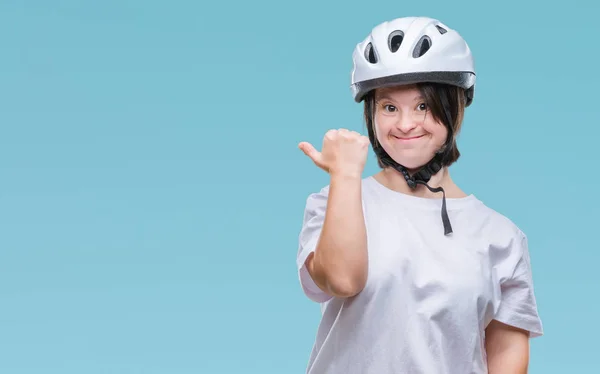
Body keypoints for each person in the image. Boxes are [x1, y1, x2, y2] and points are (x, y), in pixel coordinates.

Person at [295, 16, 543, 374]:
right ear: (371, 113)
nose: (406, 124)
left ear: (454, 108)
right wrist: (345, 176)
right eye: (389, 107)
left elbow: (507, 359)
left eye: (423, 106)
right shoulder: (334, 201)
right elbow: (342, 280)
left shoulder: (502, 237)